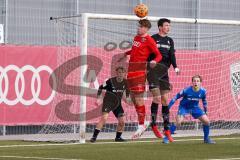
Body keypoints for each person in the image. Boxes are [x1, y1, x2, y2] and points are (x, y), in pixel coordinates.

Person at [118, 19, 162, 139]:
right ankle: (143, 122)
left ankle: (141, 125)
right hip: (131, 71)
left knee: (138, 100)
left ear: (146, 28)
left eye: (141, 26)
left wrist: (154, 61)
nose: (138, 28)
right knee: (133, 99)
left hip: (139, 72)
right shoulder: (137, 37)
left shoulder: (149, 40)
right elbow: (135, 50)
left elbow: (159, 55)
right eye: (138, 26)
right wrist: (125, 54)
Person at [147, 18, 180, 141]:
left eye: (169, 25)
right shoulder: (152, 38)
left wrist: (175, 67)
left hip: (164, 73)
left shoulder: (170, 40)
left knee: (165, 100)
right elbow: (146, 54)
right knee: (156, 98)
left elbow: (172, 55)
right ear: (160, 27)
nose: (168, 27)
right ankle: (154, 124)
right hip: (153, 72)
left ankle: (167, 130)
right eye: (166, 25)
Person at [168, 75, 216, 144]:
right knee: (178, 121)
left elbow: (204, 101)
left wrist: (205, 111)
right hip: (184, 107)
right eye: (194, 81)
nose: (196, 82)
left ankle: (206, 139)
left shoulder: (203, 91)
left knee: (207, 121)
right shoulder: (186, 90)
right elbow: (175, 97)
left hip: (194, 108)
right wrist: (168, 107)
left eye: (197, 81)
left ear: (200, 82)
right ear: (192, 82)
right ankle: (167, 136)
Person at [90, 67, 130, 142]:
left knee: (122, 122)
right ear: (116, 73)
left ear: (124, 74)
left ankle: (118, 138)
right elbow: (100, 87)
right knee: (104, 119)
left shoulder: (125, 82)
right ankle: (94, 137)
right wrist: (99, 98)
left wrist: (127, 98)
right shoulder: (110, 81)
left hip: (117, 104)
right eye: (119, 72)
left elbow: (127, 91)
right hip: (108, 103)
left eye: (122, 72)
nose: (120, 74)